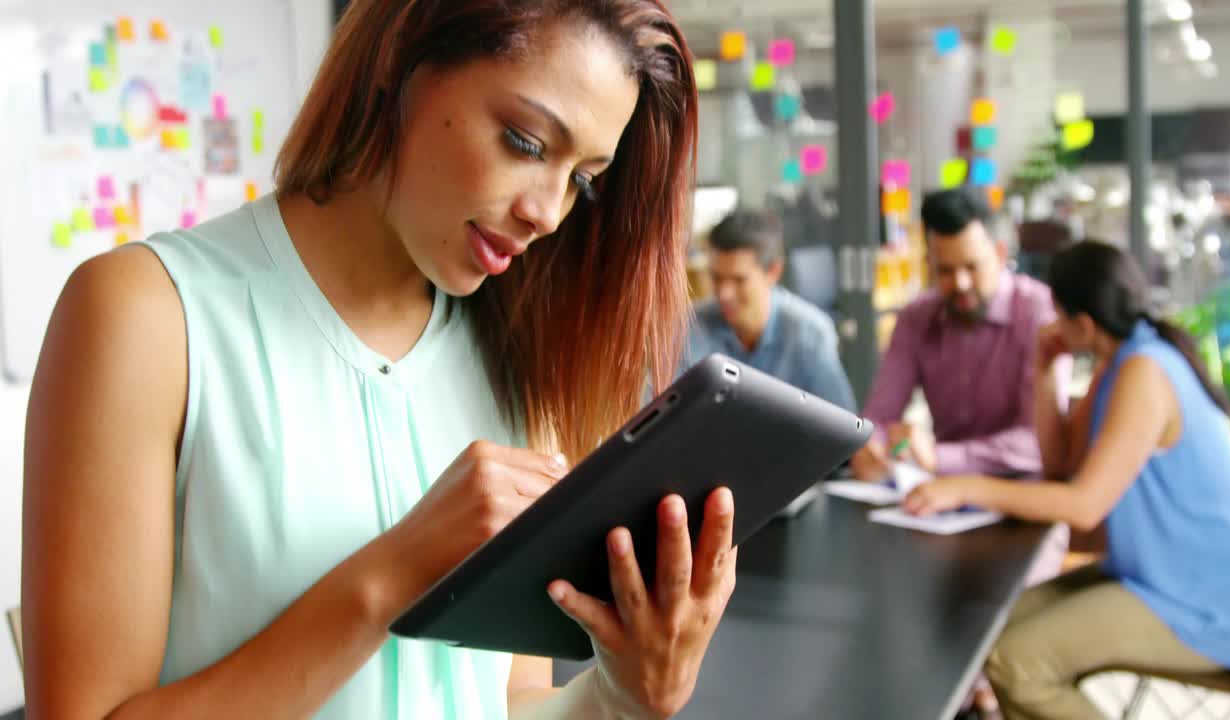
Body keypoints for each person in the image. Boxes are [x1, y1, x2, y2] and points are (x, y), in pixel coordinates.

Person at [22, 2, 739, 718]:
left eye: (583, 179)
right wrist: (387, 578)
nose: (549, 213)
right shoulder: (146, 316)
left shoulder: (519, 360)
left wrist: (627, 693)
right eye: (525, 141)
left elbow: (506, 702)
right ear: (402, 53)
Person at [904, 241, 1230, 720]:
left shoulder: (1145, 370)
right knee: (987, 628)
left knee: (1015, 661)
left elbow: (1083, 505)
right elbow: (1058, 465)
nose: (1051, 325)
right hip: (1154, 578)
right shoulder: (1120, 362)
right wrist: (1041, 371)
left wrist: (965, 485)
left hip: (1203, 604)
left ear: (1082, 324)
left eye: (1057, 315)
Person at [853, 186, 1071, 483]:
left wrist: (938, 456)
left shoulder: (1040, 314)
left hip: (1021, 496)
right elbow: (879, 416)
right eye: (945, 270)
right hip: (940, 496)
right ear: (928, 263)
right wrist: (872, 445)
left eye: (972, 266)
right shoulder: (916, 318)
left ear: (1000, 252)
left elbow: (1036, 441)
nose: (961, 283)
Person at [687, 210, 856, 412]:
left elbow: (840, 425)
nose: (724, 294)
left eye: (739, 280)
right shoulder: (689, 329)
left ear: (773, 272)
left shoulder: (810, 333)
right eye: (716, 277)